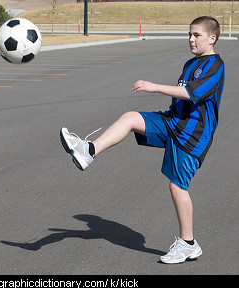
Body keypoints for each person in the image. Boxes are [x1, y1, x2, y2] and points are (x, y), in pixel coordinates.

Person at [60, 16, 225, 264]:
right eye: (189, 34)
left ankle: (189, 243)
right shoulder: (191, 63)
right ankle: (88, 150)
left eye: (197, 35)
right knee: (130, 118)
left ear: (212, 38)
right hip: (173, 124)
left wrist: (154, 86)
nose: (191, 39)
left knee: (177, 187)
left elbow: (191, 94)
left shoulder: (215, 64)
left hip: (192, 135)